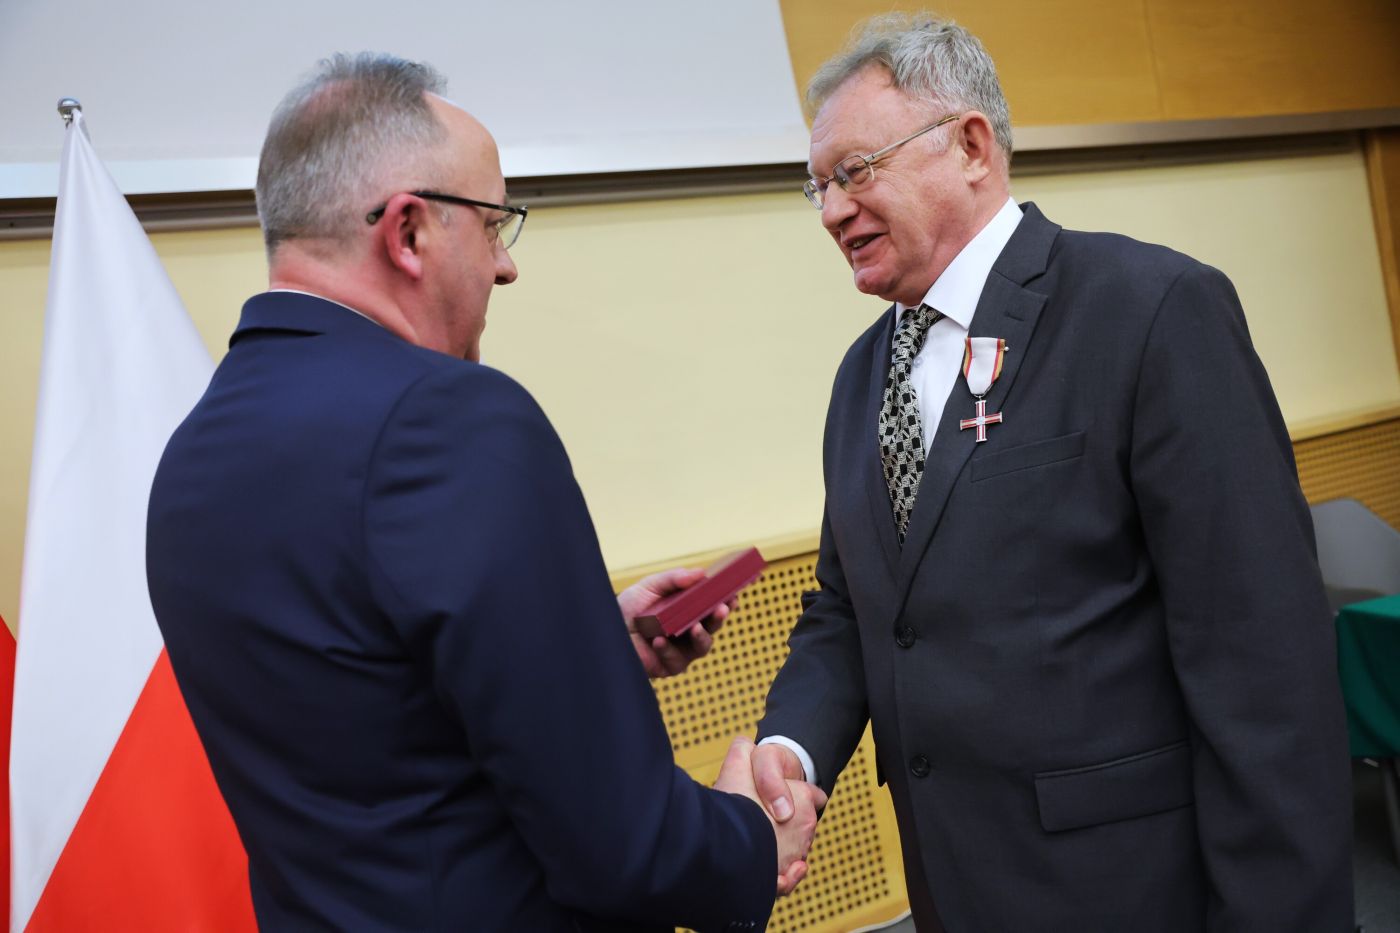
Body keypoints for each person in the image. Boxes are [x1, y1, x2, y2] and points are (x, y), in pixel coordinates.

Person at [146, 52, 824, 933]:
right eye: (494, 224)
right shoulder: (451, 418)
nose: (505, 268)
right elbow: (623, 847)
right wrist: (753, 837)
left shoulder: (191, 457)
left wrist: (584, 645)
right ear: (408, 232)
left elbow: (366, 713)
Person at [751, 13, 1353, 932]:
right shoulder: (860, 375)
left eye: (855, 171)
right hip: (955, 889)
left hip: (1135, 893)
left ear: (970, 146)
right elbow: (853, 604)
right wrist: (793, 748)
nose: (831, 210)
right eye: (819, 185)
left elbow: (1264, 663)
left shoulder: (1151, 312)